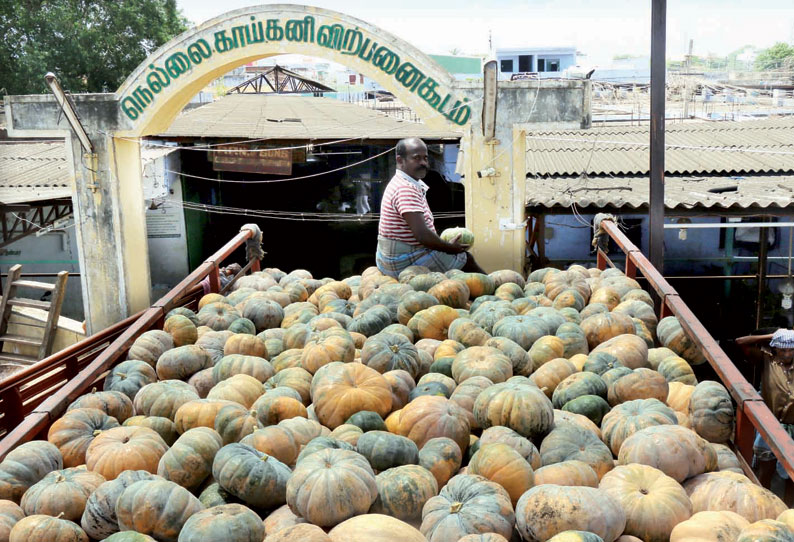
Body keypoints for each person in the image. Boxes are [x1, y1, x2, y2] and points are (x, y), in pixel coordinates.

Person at [376, 137, 484, 278]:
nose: (423, 163)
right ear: (400, 160)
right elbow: (422, 235)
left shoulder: (405, 182)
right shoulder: (405, 188)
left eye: (425, 158)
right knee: (465, 259)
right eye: (416, 158)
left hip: (393, 256)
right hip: (402, 260)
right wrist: (450, 248)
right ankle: (493, 294)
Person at [735, 328, 794, 493]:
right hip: (772, 425)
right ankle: (763, 499)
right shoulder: (767, 360)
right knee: (765, 470)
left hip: (793, 424)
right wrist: (772, 336)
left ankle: (789, 507)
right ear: (776, 348)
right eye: (783, 350)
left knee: (791, 476)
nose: (787, 354)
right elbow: (740, 341)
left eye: (791, 350)